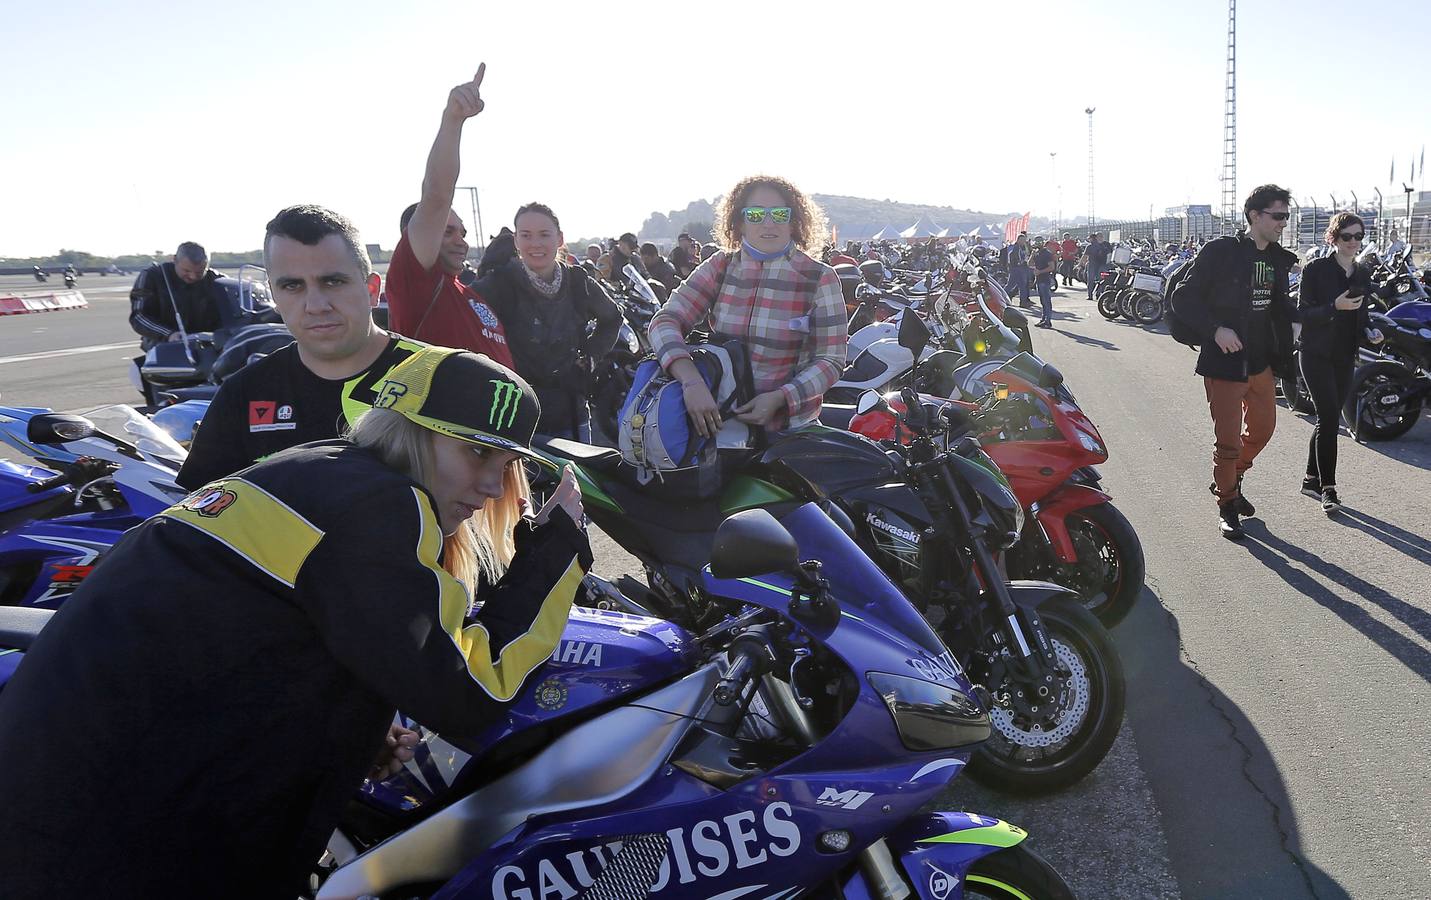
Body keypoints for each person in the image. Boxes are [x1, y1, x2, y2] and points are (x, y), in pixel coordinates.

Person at [0, 344, 591, 900]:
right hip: (110, 840)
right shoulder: (384, 505)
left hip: (59, 804)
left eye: (508, 462)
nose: (493, 487)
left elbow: (249, 648)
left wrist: (345, 730)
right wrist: (556, 554)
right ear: (411, 433)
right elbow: (471, 691)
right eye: (476, 451)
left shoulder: (315, 469)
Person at [177, 205, 428, 490]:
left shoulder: (439, 377)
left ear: (372, 289)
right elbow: (201, 516)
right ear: (274, 294)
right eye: (293, 286)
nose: (316, 306)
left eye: (333, 282)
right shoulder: (243, 395)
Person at [648, 174, 847, 438]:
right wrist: (690, 380)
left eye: (779, 214)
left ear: (794, 221)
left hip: (789, 430)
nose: (768, 223)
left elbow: (831, 360)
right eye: (755, 215)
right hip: (718, 426)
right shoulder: (720, 266)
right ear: (739, 222)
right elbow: (665, 321)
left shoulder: (819, 277)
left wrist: (780, 398)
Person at [1170, 184, 1299, 539]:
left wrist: (1321, 316)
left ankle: (1232, 476)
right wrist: (1215, 330)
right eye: (1277, 216)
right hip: (1224, 364)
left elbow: (1279, 307)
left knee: (1262, 430)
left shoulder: (1276, 258)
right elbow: (1184, 298)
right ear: (1255, 216)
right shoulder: (1221, 252)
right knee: (1226, 442)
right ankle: (1227, 503)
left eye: (1286, 216)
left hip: (1261, 363)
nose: (1283, 223)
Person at [385, 64, 513, 368]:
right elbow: (437, 197)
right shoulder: (416, 284)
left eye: (463, 233)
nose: (461, 242)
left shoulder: (468, 294)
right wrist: (453, 120)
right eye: (447, 232)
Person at [468, 202, 622, 441]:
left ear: (559, 239)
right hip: (516, 414)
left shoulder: (578, 282)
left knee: (576, 475)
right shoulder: (498, 285)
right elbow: (463, 314)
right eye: (526, 235)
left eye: (544, 234)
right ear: (516, 241)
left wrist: (591, 356)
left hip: (571, 411)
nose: (536, 243)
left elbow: (612, 319)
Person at [1297, 212, 1385, 513]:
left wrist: (1369, 330)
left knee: (1329, 415)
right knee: (1329, 420)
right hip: (1315, 353)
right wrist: (1334, 307)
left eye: (1358, 236)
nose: (1353, 242)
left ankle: (1310, 477)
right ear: (1334, 237)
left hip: (1345, 354)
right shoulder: (1315, 270)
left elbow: (1362, 314)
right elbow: (1303, 314)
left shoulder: (1361, 272)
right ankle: (1328, 488)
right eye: (1347, 236)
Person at [128, 241, 227, 349]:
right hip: (162, 343)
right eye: (187, 271)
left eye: (200, 272)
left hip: (209, 344)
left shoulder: (219, 281)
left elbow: (235, 315)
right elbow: (139, 316)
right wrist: (169, 334)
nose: (193, 277)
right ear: (175, 260)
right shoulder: (152, 277)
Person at [1031, 237, 1056, 328]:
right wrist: (1032, 254)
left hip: (1045, 280)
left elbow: (1051, 267)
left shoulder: (1047, 254)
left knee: (1046, 301)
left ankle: (1048, 320)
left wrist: (1040, 272)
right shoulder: (1037, 253)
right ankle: (1043, 319)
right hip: (1038, 280)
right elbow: (1029, 264)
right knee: (1042, 301)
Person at [1005, 233, 1032, 308]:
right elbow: (1015, 258)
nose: (1023, 241)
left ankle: (1023, 302)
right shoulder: (1015, 247)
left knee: (1022, 286)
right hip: (1016, 268)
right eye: (1021, 240)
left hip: (1023, 268)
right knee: (1011, 285)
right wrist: (1021, 262)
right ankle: (1002, 297)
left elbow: (1027, 255)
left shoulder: (1024, 247)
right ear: (1018, 240)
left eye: (1024, 240)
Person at [1083, 232, 1111, 299]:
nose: (1100, 237)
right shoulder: (1090, 246)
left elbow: (1110, 254)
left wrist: (1108, 263)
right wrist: (1081, 264)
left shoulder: (1106, 245)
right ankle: (1090, 295)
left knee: (1101, 280)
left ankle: (1098, 294)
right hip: (1092, 264)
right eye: (1098, 236)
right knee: (1090, 280)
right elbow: (1085, 256)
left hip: (1103, 265)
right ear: (1096, 237)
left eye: (1101, 236)